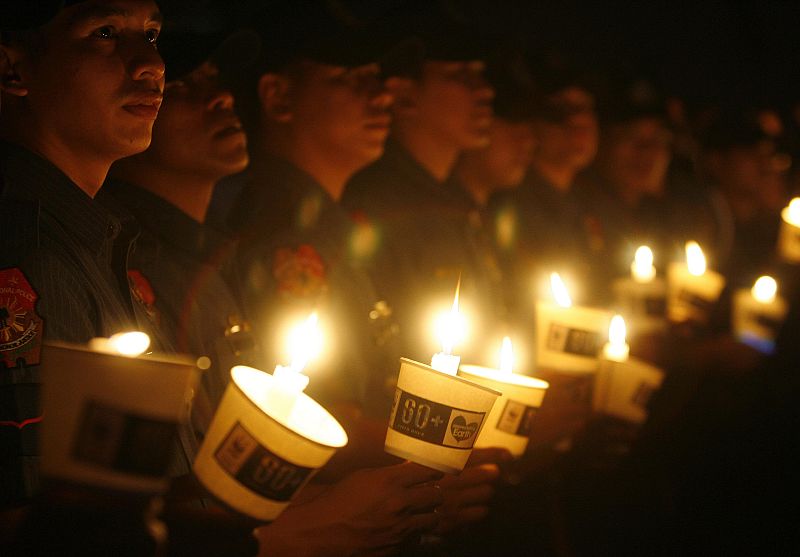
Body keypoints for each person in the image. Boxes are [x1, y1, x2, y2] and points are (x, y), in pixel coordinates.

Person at [1, 0, 165, 510]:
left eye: (152, 34)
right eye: (105, 32)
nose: (150, 64)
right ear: (13, 68)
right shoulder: (26, 253)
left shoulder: (102, 237)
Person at [342, 3, 501, 367]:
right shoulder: (376, 206)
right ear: (405, 96)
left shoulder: (457, 200)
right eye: (461, 75)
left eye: (480, 73)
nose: (485, 91)